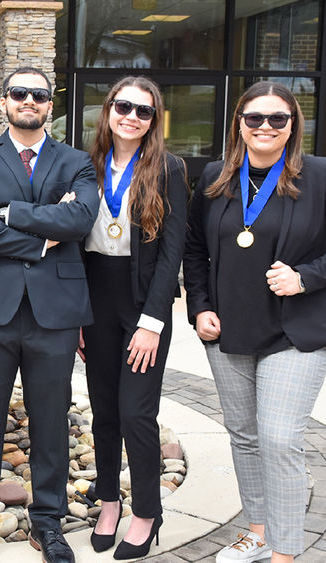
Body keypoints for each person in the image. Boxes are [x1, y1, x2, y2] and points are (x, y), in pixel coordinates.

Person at [0, 66, 99, 563]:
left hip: (54, 311)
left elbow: (80, 218)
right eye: (19, 93)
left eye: (39, 94)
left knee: (51, 421)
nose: (28, 100)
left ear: (51, 104)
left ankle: (48, 522)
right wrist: (45, 236)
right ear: (3, 100)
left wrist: (8, 213)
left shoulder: (77, 161)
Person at [183, 80, 326, 563]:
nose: (265, 127)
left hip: (293, 332)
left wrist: (306, 277)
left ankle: (285, 552)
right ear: (239, 125)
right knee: (244, 436)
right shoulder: (214, 177)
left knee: (280, 438)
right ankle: (258, 531)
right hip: (227, 330)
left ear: (292, 126)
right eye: (254, 119)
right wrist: (199, 306)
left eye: (277, 119)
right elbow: (195, 250)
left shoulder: (321, 178)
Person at [80, 76, 187, 560]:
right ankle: (108, 502)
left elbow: (172, 253)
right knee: (103, 411)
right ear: (108, 110)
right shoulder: (86, 165)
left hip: (142, 301)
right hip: (95, 298)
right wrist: (78, 312)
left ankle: (146, 512)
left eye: (143, 111)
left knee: (136, 413)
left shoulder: (169, 168)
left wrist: (152, 321)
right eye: (124, 106)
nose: (132, 116)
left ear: (153, 120)